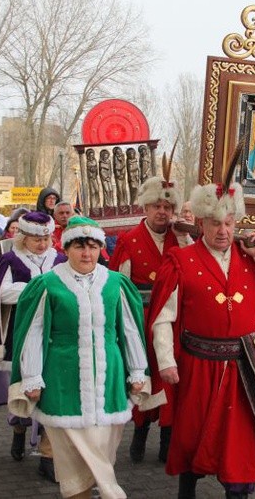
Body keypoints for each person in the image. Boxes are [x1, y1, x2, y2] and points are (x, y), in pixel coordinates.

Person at [146, 179, 255, 499]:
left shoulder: (252, 259)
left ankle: (237, 493)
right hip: (197, 368)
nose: (223, 231)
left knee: (239, 447)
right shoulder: (180, 262)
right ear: (200, 223)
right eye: (215, 223)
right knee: (191, 439)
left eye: (229, 223)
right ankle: (187, 489)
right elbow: (163, 317)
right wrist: (166, 362)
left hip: (244, 372)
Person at [8, 215, 149, 499]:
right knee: (71, 457)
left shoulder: (115, 283)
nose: (87, 253)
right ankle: (107, 493)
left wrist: (138, 372)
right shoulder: (48, 284)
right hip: (63, 379)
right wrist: (32, 376)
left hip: (110, 379)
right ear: (67, 249)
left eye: (93, 247)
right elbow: (34, 332)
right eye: (79, 247)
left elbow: (130, 330)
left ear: (100, 249)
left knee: (103, 452)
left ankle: (104, 488)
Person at [108, 175, 187, 464]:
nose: (162, 212)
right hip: (140, 322)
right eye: (156, 206)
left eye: (167, 207)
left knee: (170, 378)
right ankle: (140, 432)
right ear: (145, 207)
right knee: (141, 376)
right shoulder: (129, 240)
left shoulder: (180, 240)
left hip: (172, 322)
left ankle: (167, 437)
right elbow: (118, 287)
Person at [0, 211, 67, 481]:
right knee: (22, 389)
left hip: (54, 335)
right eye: (35, 239)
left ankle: (47, 453)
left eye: (46, 238)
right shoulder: (9, 260)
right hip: (20, 333)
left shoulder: (61, 259)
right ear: (23, 237)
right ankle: (18, 433)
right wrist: (38, 288)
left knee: (50, 393)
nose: (42, 244)